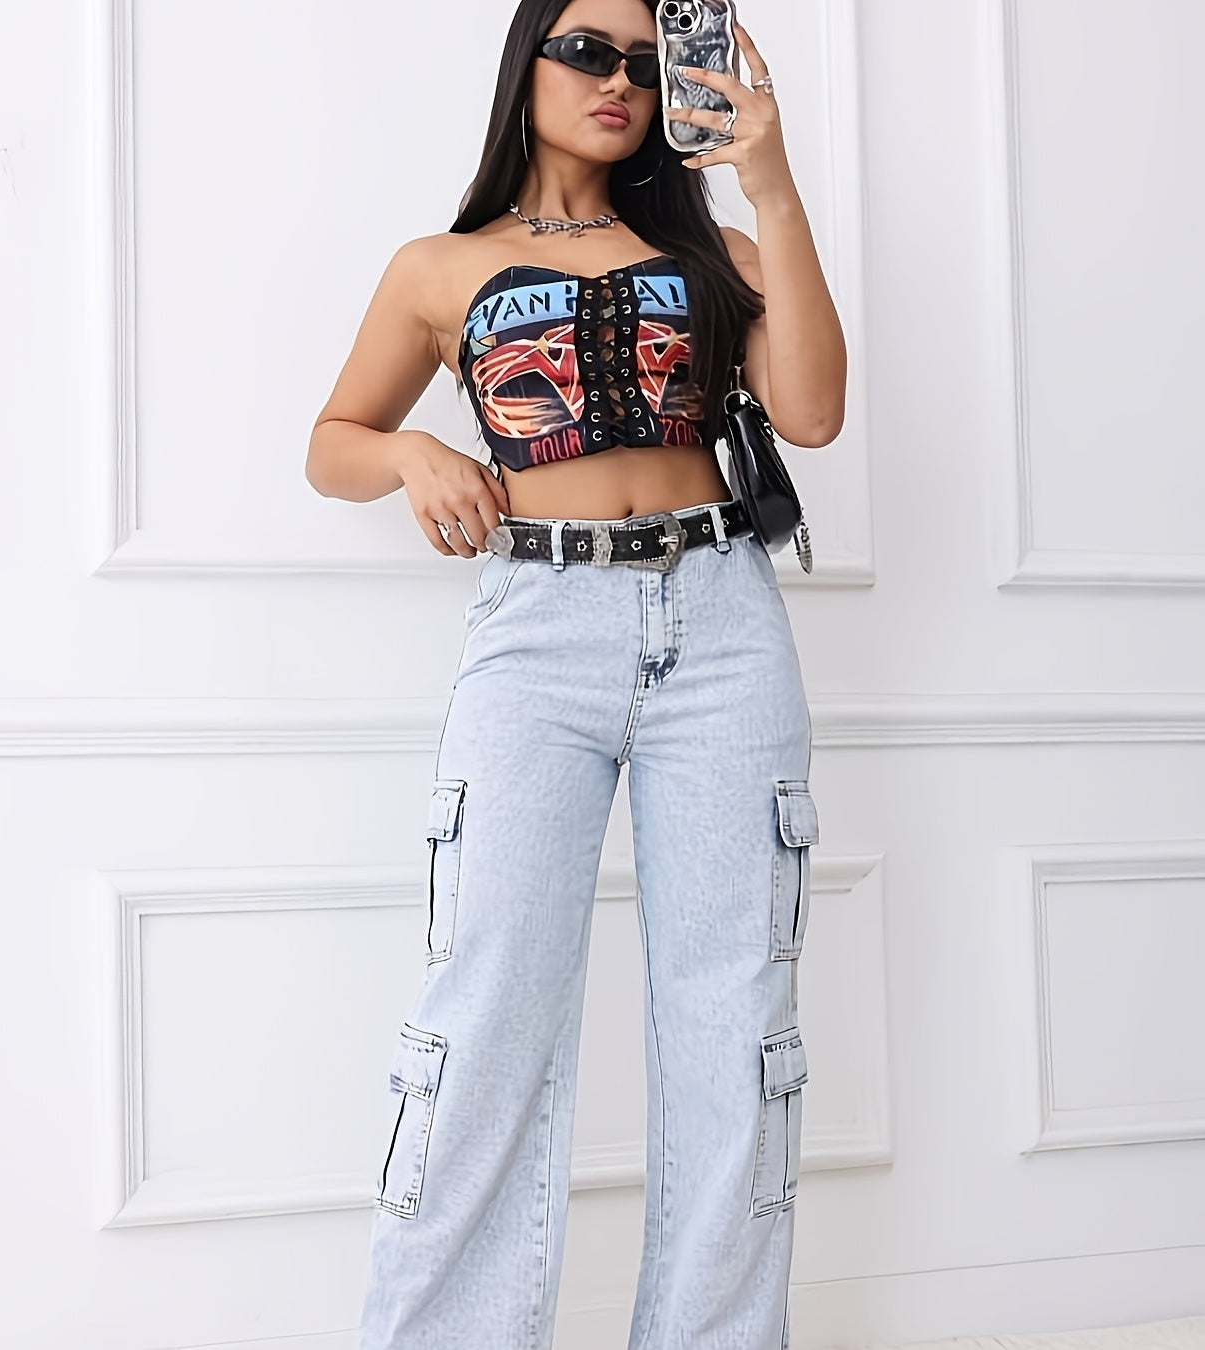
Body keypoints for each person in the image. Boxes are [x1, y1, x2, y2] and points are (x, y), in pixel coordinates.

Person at [306, 0, 846, 1343]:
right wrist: (413, 456)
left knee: (733, 1025)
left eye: (647, 60)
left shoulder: (713, 249)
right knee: (485, 1012)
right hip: (536, 630)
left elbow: (815, 411)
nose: (619, 79)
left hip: (719, 620)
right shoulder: (441, 267)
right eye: (587, 50)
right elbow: (333, 437)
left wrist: (768, 179)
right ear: (527, 64)